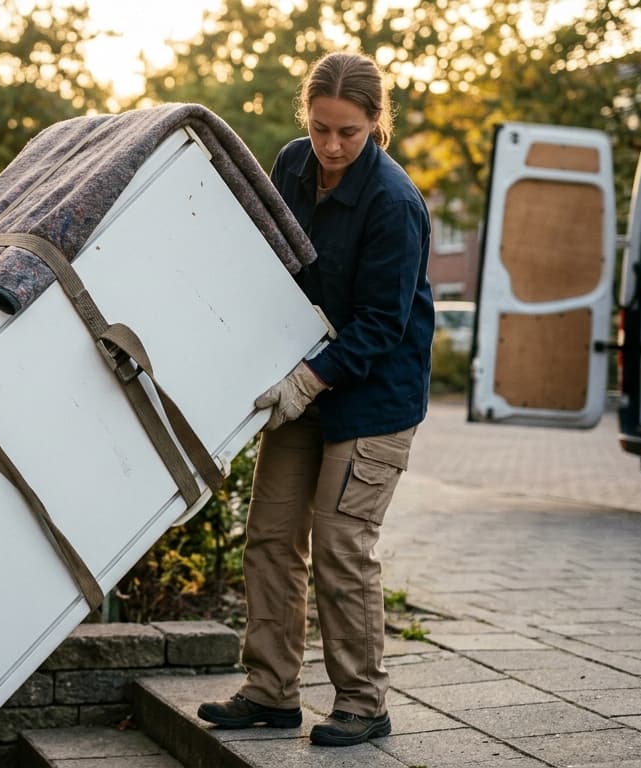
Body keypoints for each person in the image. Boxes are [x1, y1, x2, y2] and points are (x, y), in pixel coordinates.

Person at [198, 51, 434, 747]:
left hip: (373, 397)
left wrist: (306, 381)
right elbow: (272, 265)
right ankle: (270, 691)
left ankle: (363, 703)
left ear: (375, 123)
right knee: (271, 536)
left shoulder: (394, 203)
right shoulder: (292, 164)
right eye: (320, 127)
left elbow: (382, 325)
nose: (330, 147)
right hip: (302, 381)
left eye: (348, 133)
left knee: (340, 547)